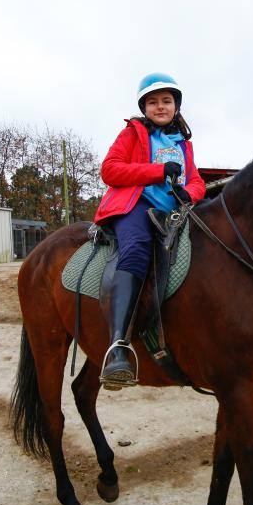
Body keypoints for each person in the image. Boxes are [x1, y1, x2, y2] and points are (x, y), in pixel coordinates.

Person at [93, 73, 206, 389]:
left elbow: (195, 180)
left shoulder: (184, 144)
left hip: (174, 213)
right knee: (138, 248)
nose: (160, 106)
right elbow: (110, 170)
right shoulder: (133, 133)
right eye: (153, 101)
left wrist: (190, 194)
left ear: (176, 106)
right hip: (136, 207)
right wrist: (158, 172)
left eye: (166, 101)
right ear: (144, 107)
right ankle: (118, 347)